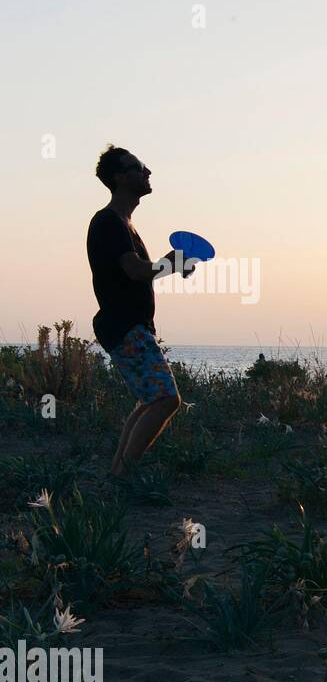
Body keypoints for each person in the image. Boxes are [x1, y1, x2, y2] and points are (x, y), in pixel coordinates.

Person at [87, 146, 193, 479]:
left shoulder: (124, 224)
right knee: (166, 399)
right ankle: (123, 477)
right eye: (139, 167)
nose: (147, 172)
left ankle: (117, 474)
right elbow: (135, 271)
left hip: (131, 325)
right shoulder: (109, 222)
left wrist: (170, 264)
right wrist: (172, 262)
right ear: (120, 177)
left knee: (151, 400)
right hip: (124, 324)